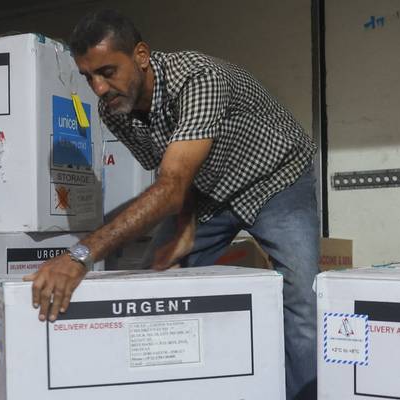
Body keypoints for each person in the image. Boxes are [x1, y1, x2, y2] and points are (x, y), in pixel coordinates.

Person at [23, 9, 319, 399]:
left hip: (276, 179)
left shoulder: (197, 78)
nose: (98, 88)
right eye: (88, 76)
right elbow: (176, 179)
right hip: (209, 192)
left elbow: (171, 184)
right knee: (156, 283)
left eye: (108, 71)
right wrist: (184, 224)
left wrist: (79, 255)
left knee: (303, 302)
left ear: (141, 55)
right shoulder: (114, 111)